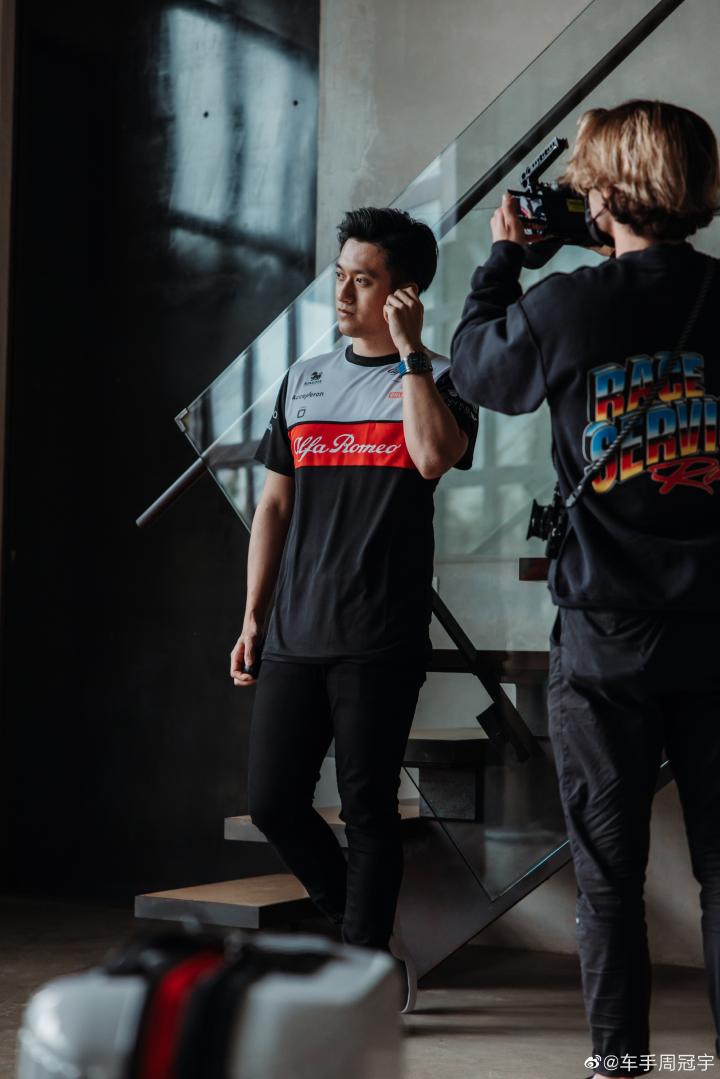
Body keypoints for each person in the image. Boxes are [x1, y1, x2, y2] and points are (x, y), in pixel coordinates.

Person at [449, 100, 720, 1078]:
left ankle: (624, 1067)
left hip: (606, 637)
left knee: (609, 875)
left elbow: (476, 370)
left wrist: (503, 260)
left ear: (605, 191)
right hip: (717, 628)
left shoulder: (567, 305)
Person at [229, 206, 478, 1012]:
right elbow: (273, 506)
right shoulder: (303, 380)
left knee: (368, 807)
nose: (341, 292)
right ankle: (361, 943)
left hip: (379, 633)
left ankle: (364, 970)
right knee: (274, 800)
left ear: (403, 292)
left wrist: (410, 355)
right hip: (295, 630)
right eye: (339, 275)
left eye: (362, 279)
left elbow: (433, 457)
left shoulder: (442, 379)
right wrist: (253, 614)